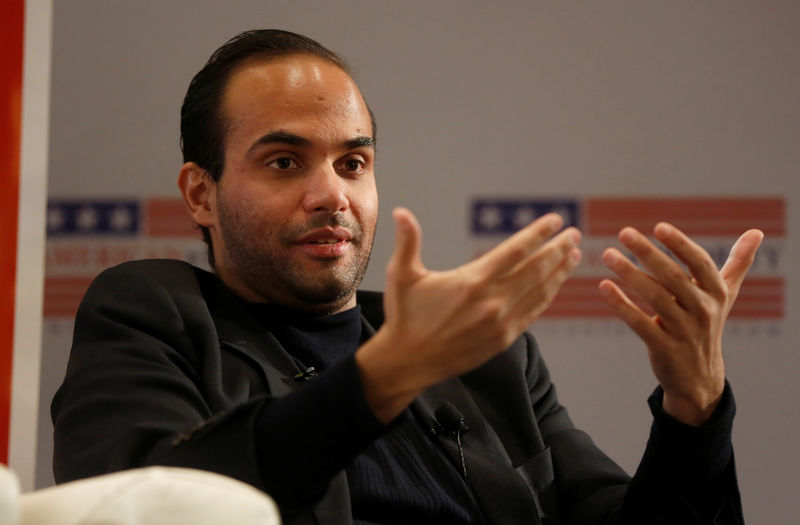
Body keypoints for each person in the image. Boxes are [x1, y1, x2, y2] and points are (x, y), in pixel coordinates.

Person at [51, 29, 761, 525]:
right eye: (284, 162)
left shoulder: (487, 358)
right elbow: (141, 501)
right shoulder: (152, 310)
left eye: (352, 163)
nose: (331, 194)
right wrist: (385, 375)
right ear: (200, 192)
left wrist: (693, 408)